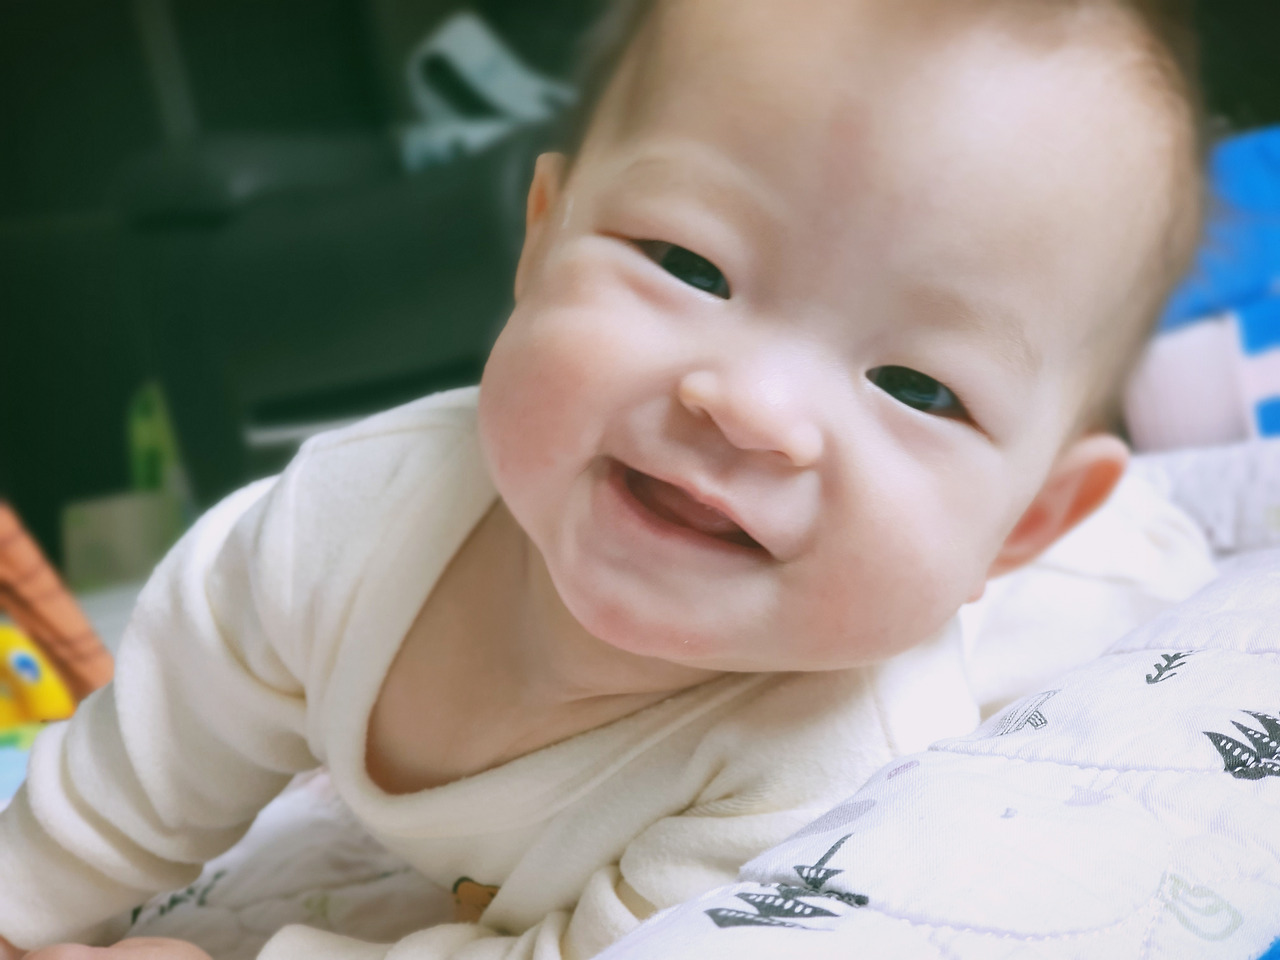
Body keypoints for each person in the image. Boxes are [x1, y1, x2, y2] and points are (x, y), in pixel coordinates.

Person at [0, 0, 1209, 956]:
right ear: (540, 238)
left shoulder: (831, 764)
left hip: (1084, 598)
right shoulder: (340, 518)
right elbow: (140, 765)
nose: (749, 407)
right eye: (687, 262)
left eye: (914, 386)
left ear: (1024, 519)